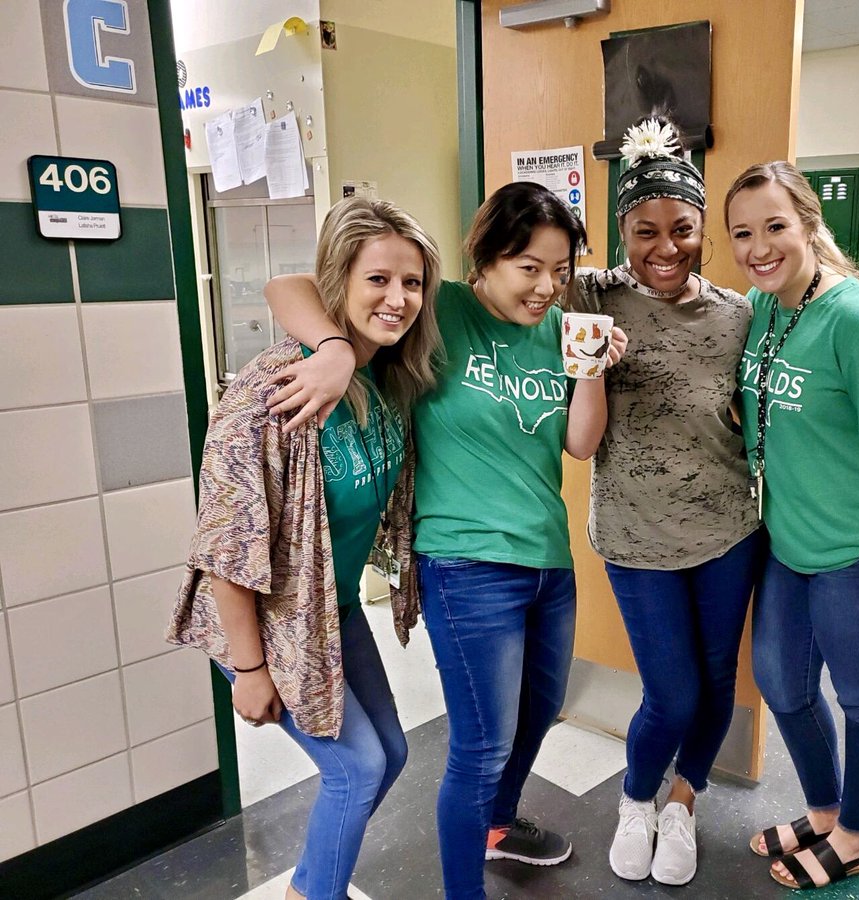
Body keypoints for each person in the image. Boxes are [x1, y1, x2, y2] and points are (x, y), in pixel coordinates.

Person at [262, 182, 626, 900]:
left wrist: (590, 368)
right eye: (529, 266)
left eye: (561, 269)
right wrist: (334, 348)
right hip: (465, 566)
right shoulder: (441, 308)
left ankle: (494, 824)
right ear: (483, 258)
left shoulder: (561, 328)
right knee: (481, 747)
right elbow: (288, 285)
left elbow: (582, 444)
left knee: (542, 708)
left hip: (548, 560)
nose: (548, 285)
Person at [167, 197, 443, 900]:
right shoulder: (278, 387)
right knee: (355, 770)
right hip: (265, 623)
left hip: (333, 609)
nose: (398, 297)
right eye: (378, 279)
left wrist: (344, 351)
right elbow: (223, 545)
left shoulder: (382, 379)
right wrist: (250, 667)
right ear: (340, 282)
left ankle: (311, 886)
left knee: (391, 755)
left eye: (412, 283)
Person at [724, 162, 859, 892]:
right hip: (791, 543)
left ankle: (854, 837)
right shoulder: (767, 306)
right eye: (743, 233)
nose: (759, 247)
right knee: (781, 684)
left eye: (775, 227)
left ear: (809, 224)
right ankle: (822, 810)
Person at [563, 116, 761, 886]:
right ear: (623, 232)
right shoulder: (589, 297)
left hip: (728, 530)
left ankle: (684, 798)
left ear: (704, 231)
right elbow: (517, 281)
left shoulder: (739, 315)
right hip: (634, 535)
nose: (665, 247)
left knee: (715, 685)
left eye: (682, 229)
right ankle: (636, 798)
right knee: (670, 692)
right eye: (646, 231)